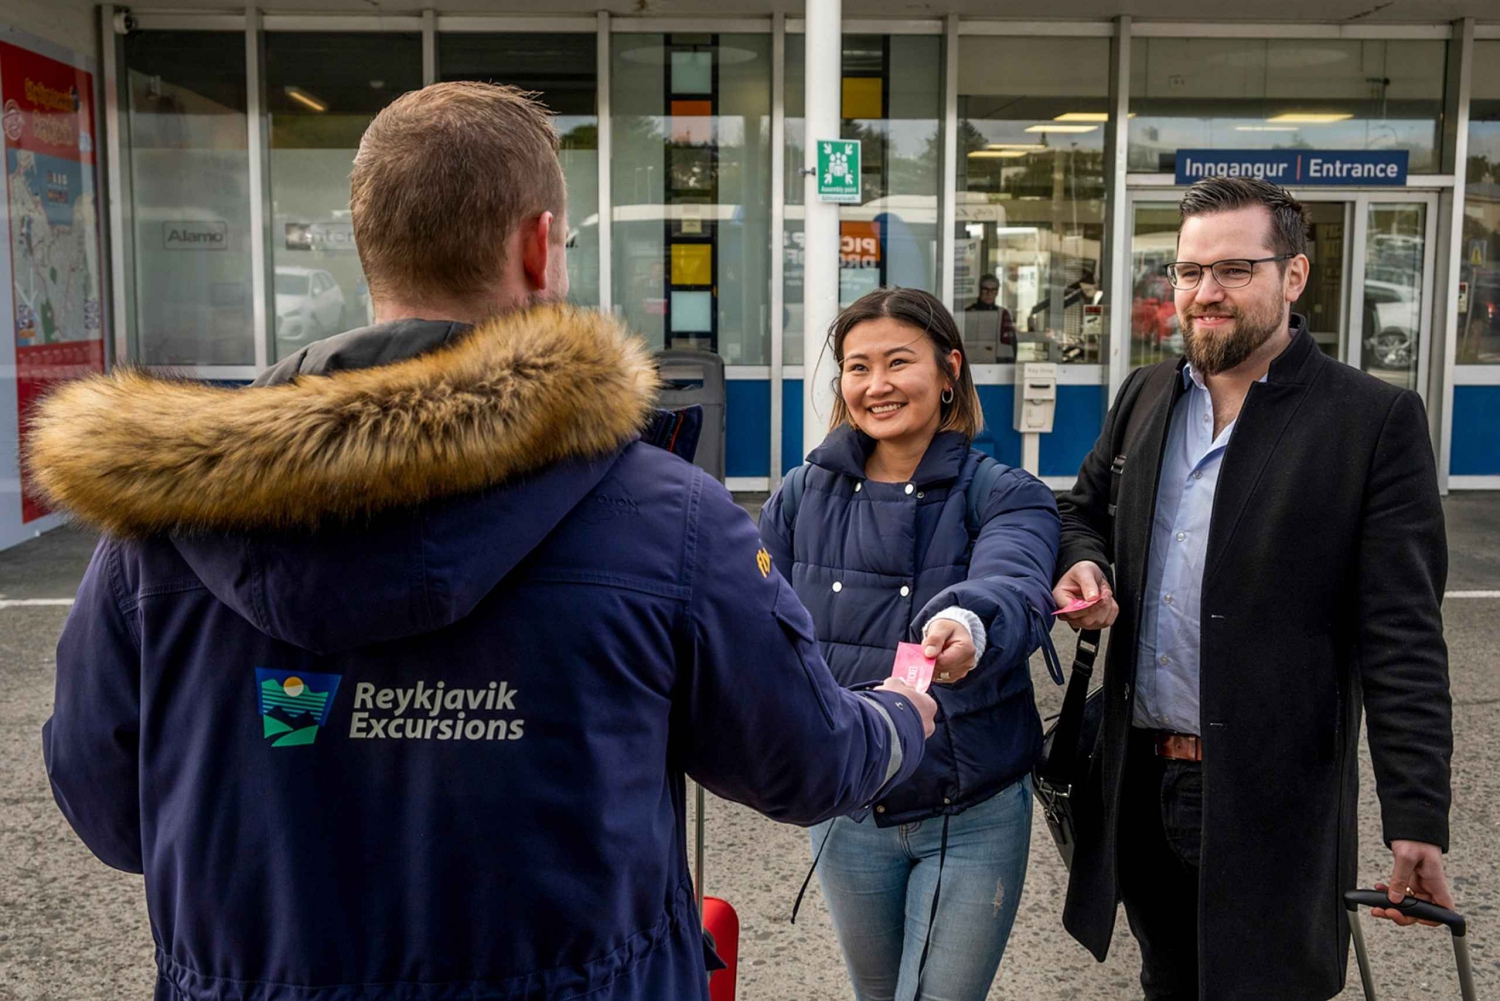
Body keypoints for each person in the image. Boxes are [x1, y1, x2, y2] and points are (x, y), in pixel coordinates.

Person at [29, 82, 938, 1001]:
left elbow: (113, 811)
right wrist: (902, 710)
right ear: (540, 248)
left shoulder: (161, 528)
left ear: (368, 251)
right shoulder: (670, 518)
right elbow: (806, 760)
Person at [1052, 176, 1454, 1001]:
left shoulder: (1371, 421)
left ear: (1294, 276)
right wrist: (1082, 562)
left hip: (1269, 798)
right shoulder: (1148, 394)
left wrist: (1415, 814)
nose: (1205, 293)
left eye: (1235, 270)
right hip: (1141, 784)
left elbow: (1403, 635)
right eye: (1189, 271)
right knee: (1168, 982)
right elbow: (1079, 511)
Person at [760, 287, 1062, 1001]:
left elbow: (1016, 582)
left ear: (949, 369)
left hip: (973, 807)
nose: (877, 385)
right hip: (851, 803)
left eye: (899, 362)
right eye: (857, 367)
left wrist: (969, 624)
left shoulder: (1004, 491)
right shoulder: (802, 492)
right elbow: (745, 612)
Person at [964, 273, 1017, 347]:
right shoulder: (968, 313)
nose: (989, 293)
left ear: (997, 292)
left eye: (993, 290)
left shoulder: (1003, 314)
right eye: (985, 289)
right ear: (979, 290)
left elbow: (1010, 343)